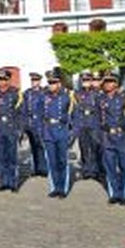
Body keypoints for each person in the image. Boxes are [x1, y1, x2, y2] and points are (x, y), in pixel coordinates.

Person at [99, 71, 125, 205]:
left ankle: (124, 195)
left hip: (122, 138)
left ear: (116, 84)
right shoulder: (101, 99)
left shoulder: (124, 99)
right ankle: (114, 193)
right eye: (106, 82)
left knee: (124, 166)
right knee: (110, 167)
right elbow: (97, 120)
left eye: (110, 82)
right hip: (107, 137)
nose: (108, 84)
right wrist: (100, 138)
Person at [42, 69, 73, 198]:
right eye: (50, 83)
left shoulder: (67, 96)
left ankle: (63, 188)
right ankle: (55, 187)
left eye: (54, 82)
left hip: (62, 131)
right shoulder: (44, 97)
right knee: (52, 162)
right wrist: (41, 131)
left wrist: (72, 133)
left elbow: (73, 115)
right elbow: (39, 115)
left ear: (59, 83)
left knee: (62, 161)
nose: (51, 85)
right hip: (48, 132)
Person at [0, 69, 21, 192]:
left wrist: (19, 129)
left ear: (9, 80)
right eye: (0, 79)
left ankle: (13, 183)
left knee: (12, 157)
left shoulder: (15, 93)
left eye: (4, 79)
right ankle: (3, 182)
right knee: (1, 157)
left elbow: (21, 113)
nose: (2, 82)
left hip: (11, 129)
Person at [73, 71, 101, 181]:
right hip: (82, 124)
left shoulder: (97, 94)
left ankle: (95, 170)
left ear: (91, 81)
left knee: (94, 148)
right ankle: (86, 170)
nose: (86, 82)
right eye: (84, 80)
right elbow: (75, 109)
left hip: (93, 123)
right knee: (83, 148)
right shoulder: (77, 94)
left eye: (88, 80)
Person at [22, 72, 48, 178]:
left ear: (40, 81)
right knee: (33, 147)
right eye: (32, 80)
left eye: (36, 80)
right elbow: (24, 109)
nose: (34, 82)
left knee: (41, 146)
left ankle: (43, 168)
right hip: (30, 123)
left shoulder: (44, 93)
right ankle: (35, 168)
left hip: (41, 123)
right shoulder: (27, 93)